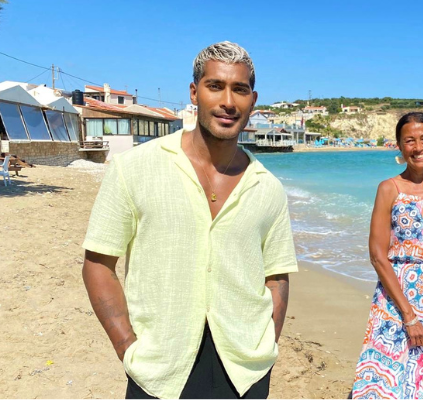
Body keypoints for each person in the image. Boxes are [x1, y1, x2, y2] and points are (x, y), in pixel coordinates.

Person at [81, 41, 298, 399]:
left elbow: (276, 276)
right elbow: (98, 264)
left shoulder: (267, 187)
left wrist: (267, 344)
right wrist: (127, 347)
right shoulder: (134, 169)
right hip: (160, 371)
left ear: (253, 100)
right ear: (194, 93)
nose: (228, 101)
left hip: (245, 372)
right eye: (215, 86)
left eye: (240, 89)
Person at [352, 112, 423, 398]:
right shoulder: (388, 189)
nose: (418, 148)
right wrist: (409, 316)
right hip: (396, 300)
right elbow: (378, 256)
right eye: (410, 141)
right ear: (400, 146)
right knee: (386, 383)